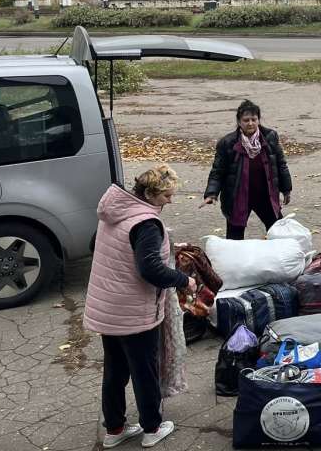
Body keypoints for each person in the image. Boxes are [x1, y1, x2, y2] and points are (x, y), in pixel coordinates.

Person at [84, 165, 194, 449]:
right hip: (134, 311)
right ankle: (152, 428)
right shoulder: (146, 223)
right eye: (167, 196)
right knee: (145, 371)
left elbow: (97, 246)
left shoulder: (114, 212)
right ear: (150, 194)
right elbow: (150, 269)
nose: (170, 201)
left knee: (115, 370)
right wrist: (185, 280)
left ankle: (114, 429)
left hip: (108, 307)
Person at [203, 100, 293, 240]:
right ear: (239, 122)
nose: (250, 123)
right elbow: (217, 172)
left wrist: (286, 189)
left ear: (258, 120)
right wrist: (211, 193)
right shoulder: (227, 143)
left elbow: (281, 164)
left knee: (279, 232)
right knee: (234, 238)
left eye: (253, 119)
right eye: (246, 120)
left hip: (265, 195)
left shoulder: (270, 137)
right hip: (238, 197)